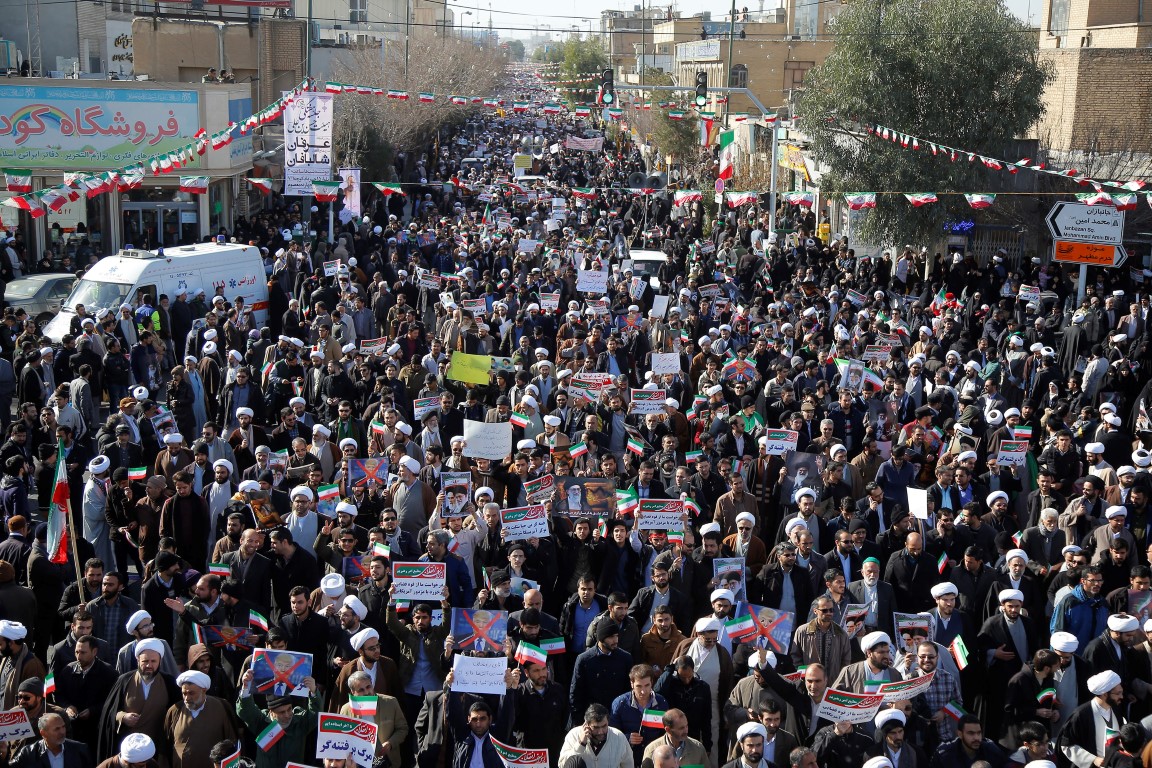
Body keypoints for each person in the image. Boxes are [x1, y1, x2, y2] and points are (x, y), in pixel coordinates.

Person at [558, 703, 633, 768]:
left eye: (604, 726)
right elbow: (562, 765)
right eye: (596, 727)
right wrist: (580, 744)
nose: (600, 732)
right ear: (586, 724)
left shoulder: (619, 737)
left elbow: (629, 765)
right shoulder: (573, 735)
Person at [10, 713, 93, 768]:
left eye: (63, 727)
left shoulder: (80, 750)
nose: (62, 732)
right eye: (57, 729)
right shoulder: (28, 753)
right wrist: (4, 755)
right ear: (43, 733)